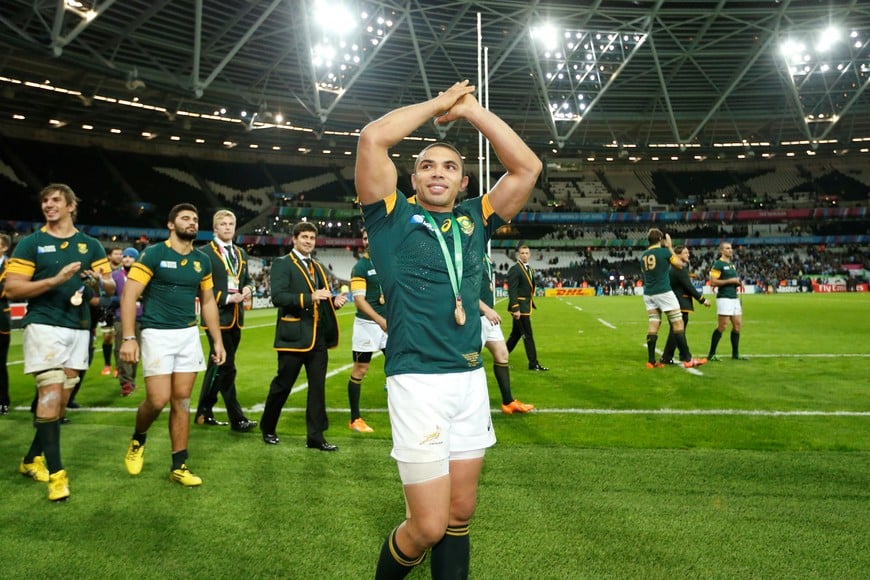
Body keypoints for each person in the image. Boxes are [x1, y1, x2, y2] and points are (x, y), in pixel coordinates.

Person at [355, 79, 541, 579]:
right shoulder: (390, 218)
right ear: (412, 180)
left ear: (462, 182)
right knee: (428, 525)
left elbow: (528, 168)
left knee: (459, 516)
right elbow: (372, 139)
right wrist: (438, 105)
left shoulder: (474, 219)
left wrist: (473, 111)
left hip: (468, 381)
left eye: (450, 167)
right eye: (427, 166)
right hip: (417, 382)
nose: (438, 172)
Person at [5, 183, 114, 501]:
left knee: (61, 402)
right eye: (44, 201)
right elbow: (12, 290)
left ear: (70, 206)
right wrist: (55, 280)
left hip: (79, 329)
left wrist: (98, 280)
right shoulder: (31, 244)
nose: (48, 205)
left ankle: (29, 460)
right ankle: (57, 475)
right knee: (50, 396)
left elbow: (108, 286)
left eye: (55, 200)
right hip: (44, 326)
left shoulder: (91, 245)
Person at [120, 203, 226, 487]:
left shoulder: (202, 260)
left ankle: (179, 465)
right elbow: (130, 296)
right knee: (157, 400)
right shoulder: (153, 254)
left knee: (181, 400)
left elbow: (207, 301)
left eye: (195, 218)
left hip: (188, 335)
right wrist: (129, 337)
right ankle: (138, 438)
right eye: (185, 218)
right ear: (171, 224)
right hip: (156, 333)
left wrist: (217, 340)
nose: (192, 222)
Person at [259, 221, 348, 450]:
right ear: (294, 239)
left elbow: (321, 298)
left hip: (317, 337)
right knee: (283, 385)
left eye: (312, 238)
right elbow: (278, 297)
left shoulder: (317, 266)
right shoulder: (282, 264)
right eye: (304, 237)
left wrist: (333, 302)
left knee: (318, 388)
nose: (308, 241)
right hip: (294, 337)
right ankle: (268, 427)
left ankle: (316, 437)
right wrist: (310, 297)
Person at [193, 209, 258, 433]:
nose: (228, 227)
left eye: (231, 223)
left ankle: (203, 411)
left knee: (217, 367)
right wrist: (227, 297)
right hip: (217, 318)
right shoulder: (204, 254)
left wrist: (249, 288)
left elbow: (247, 279)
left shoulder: (241, 253)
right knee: (227, 368)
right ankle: (236, 418)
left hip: (236, 317)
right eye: (223, 224)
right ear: (215, 228)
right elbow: (200, 287)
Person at [640, 229, 705, 369]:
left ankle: (651, 361)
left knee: (653, 324)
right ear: (660, 239)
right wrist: (669, 247)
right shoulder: (664, 252)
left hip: (648, 293)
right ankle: (688, 359)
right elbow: (679, 265)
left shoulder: (644, 255)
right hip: (663, 292)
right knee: (678, 323)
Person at [479, 254, 534, 414]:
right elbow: (464, 288)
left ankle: (508, 402)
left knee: (502, 354)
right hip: (478, 315)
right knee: (468, 362)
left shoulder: (482, 253)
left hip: (488, 316)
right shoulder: (468, 252)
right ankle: (460, 407)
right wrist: (485, 309)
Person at [346, 227, 386, 433]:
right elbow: (359, 301)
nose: (368, 240)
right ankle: (355, 419)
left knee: (400, 364)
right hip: (367, 326)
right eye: (364, 237)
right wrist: (380, 320)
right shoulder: (360, 267)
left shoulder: (390, 262)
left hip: (388, 325)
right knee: (361, 369)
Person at [659, 245, 711, 365]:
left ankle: (669, 356)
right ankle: (684, 357)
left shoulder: (674, 268)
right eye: (685, 253)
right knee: (678, 330)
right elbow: (689, 287)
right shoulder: (679, 268)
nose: (688, 255)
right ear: (678, 254)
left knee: (676, 330)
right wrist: (703, 300)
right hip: (680, 302)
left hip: (675, 301)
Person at [505, 245, 548, 371]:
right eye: (522, 253)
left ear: (530, 255)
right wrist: (515, 308)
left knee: (515, 335)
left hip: (525, 307)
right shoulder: (515, 269)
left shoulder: (529, 269)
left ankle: (501, 355)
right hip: (520, 309)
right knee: (528, 336)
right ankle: (533, 364)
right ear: (519, 255)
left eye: (526, 253)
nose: (524, 255)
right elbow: (512, 290)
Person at [706, 241, 747, 361]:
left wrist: (738, 283)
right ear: (721, 251)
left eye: (731, 248)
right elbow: (713, 282)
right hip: (724, 298)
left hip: (734, 298)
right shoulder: (718, 264)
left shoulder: (732, 265)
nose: (730, 250)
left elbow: (732, 280)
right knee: (722, 326)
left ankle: (735, 354)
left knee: (738, 325)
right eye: (727, 248)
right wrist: (730, 281)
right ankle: (711, 354)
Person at [111, 247, 143, 396]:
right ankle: (126, 382)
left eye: (131, 257)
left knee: (137, 352)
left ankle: (131, 380)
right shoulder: (116, 276)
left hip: (139, 317)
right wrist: (127, 299)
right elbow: (109, 298)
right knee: (121, 351)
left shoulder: (143, 276)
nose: (127, 259)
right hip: (121, 317)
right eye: (125, 256)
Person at [100, 247, 124, 376]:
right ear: (109, 256)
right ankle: (107, 364)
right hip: (107, 309)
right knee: (107, 337)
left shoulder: (125, 270)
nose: (119, 256)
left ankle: (118, 367)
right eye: (116, 254)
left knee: (119, 338)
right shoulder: (104, 270)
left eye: (121, 254)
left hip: (120, 308)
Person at [0, 233, 11, 416]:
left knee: (0, 363)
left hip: (0, 320)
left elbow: (6, 290)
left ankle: (3, 401)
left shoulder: (12, 267)